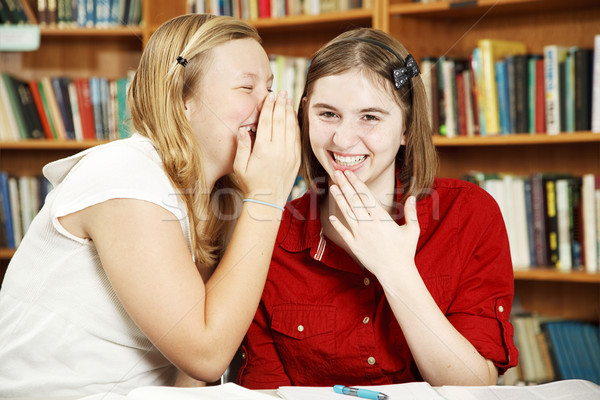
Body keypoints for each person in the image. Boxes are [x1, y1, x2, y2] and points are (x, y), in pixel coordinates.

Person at [0, 14, 300, 396]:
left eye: (270, 87)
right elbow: (206, 353)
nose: (269, 103)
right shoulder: (125, 172)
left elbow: (194, 374)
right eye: (247, 87)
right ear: (182, 100)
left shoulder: (219, 195)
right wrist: (269, 196)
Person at [238, 28, 518, 389]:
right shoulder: (271, 238)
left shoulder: (468, 214)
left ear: (406, 127)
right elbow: (264, 390)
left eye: (370, 117)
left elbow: (475, 388)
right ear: (305, 114)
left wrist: (396, 270)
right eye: (328, 114)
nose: (343, 139)